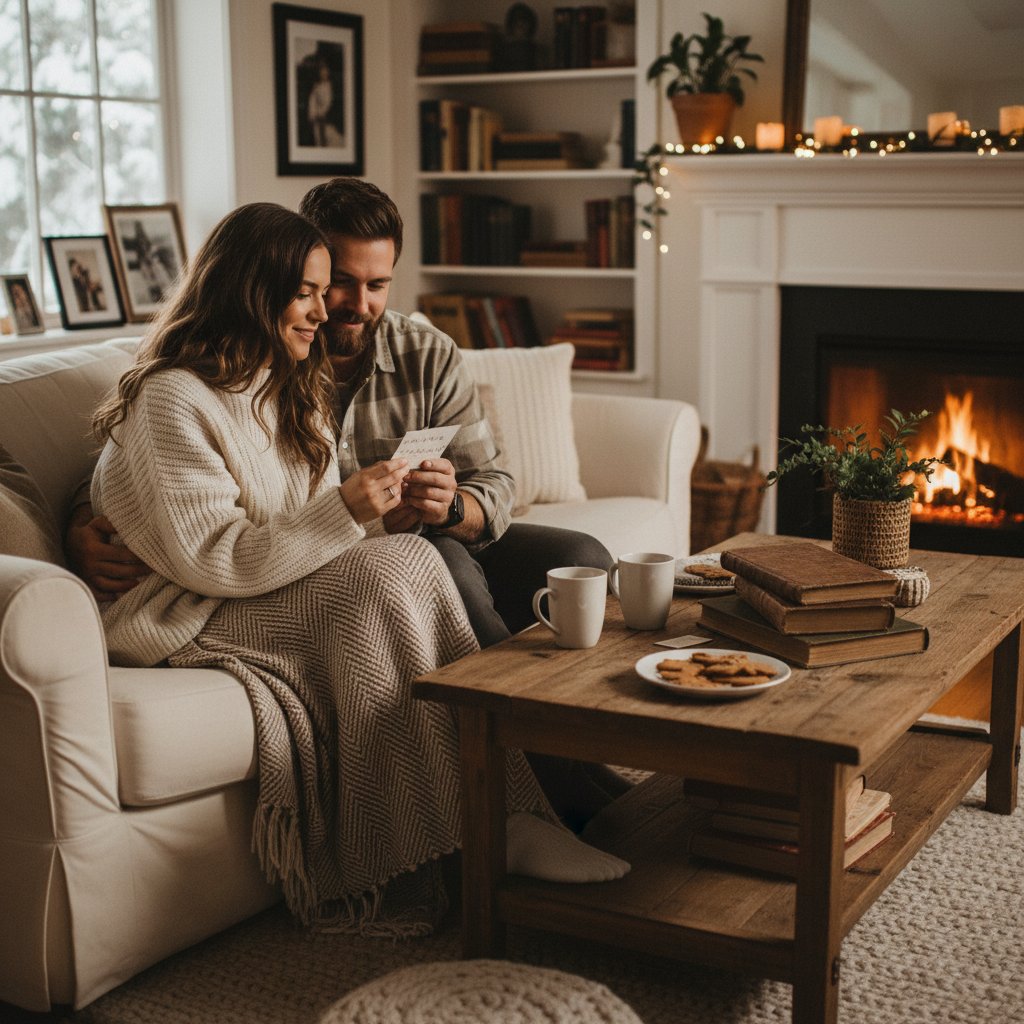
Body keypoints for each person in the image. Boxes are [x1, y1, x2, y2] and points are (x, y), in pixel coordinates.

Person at [88, 201, 628, 934]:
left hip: (266, 580)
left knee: (412, 557)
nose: (327, 311)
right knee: (386, 575)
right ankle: (476, 832)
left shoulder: (287, 383)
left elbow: (311, 519)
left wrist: (390, 515)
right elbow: (212, 555)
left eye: (346, 288)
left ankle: (511, 809)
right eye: (309, 292)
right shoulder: (173, 399)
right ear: (252, 291)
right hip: (188, 607)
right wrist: (347, 511)